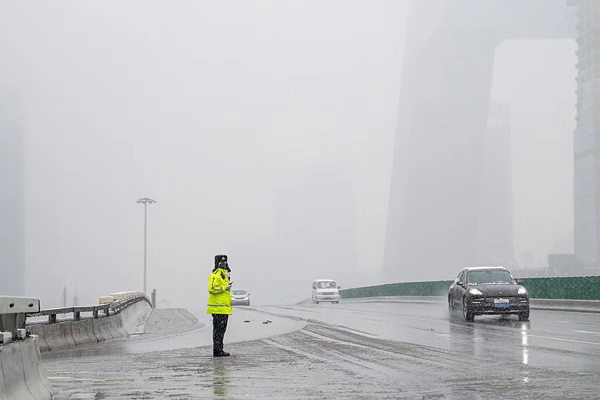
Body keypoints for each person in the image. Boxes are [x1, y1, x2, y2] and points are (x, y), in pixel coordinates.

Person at [207, 254, 232, 357]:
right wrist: (224, 288)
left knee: (222, 331)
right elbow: (211, 289)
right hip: (217, 308)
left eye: (225, 262)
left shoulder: (224, 275)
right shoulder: (214, 275)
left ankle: (220, 349)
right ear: (217, 263)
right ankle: (217, 350)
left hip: (224, 309)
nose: (224, 264)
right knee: (218, 331)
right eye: (221, 262)